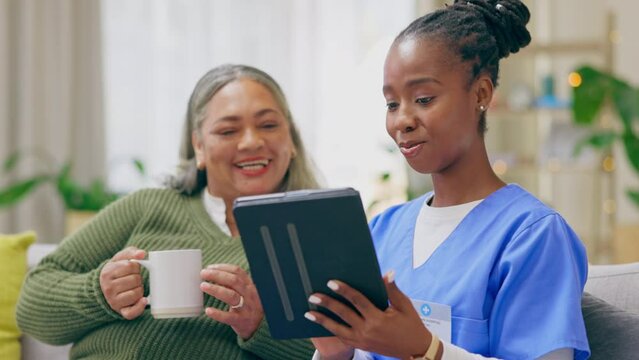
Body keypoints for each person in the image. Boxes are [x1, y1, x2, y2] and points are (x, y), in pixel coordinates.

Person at [305, 1, 590, 359]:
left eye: (423, 98)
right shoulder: (382, 230)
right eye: (392, 104)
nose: (402, 120)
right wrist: (336, 353)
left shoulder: (532, 236)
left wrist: (428, 350)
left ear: (481, 94)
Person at [16, 64, 319, 359]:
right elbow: (31, 307)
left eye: (268, 125)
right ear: (198, 147)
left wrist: (260, 325)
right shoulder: (148, 206)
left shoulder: (317, 233)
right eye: (228, 130)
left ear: (291, 139)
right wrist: (98, 292)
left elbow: (352, 350)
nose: (252, 141)